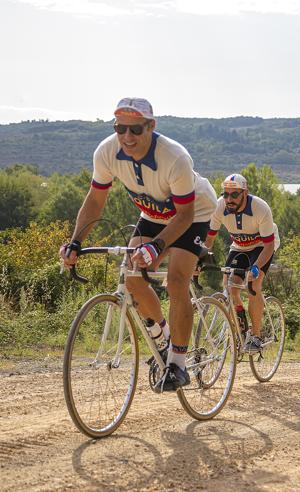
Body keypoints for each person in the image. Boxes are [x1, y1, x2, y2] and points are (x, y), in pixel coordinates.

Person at [60, 97, 216, 392]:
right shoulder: (107, 152)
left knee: (176, 279)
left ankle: (178, 364)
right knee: (132, 275)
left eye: (135, 130)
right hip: (154, 214)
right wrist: (75, 242)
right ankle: (162, 338)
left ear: (151, 126)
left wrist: (157, 247)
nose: (127, 137)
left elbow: (184, 216)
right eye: (121, 129)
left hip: (194, 214)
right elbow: (95, 202)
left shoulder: (175, 157)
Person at [204, 173, 280, 353]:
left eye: (234, 195)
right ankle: (240, 329)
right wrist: (198, 258)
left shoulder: (260, 208)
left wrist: (255, 268)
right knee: (230, 287)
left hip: (262, 246)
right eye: (226, 194)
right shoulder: (219, 206)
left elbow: (269, 246)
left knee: (253, 284)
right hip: (239, 246)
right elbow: (209, 239)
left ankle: (256, 335)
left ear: (245, 193)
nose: (229, 199)